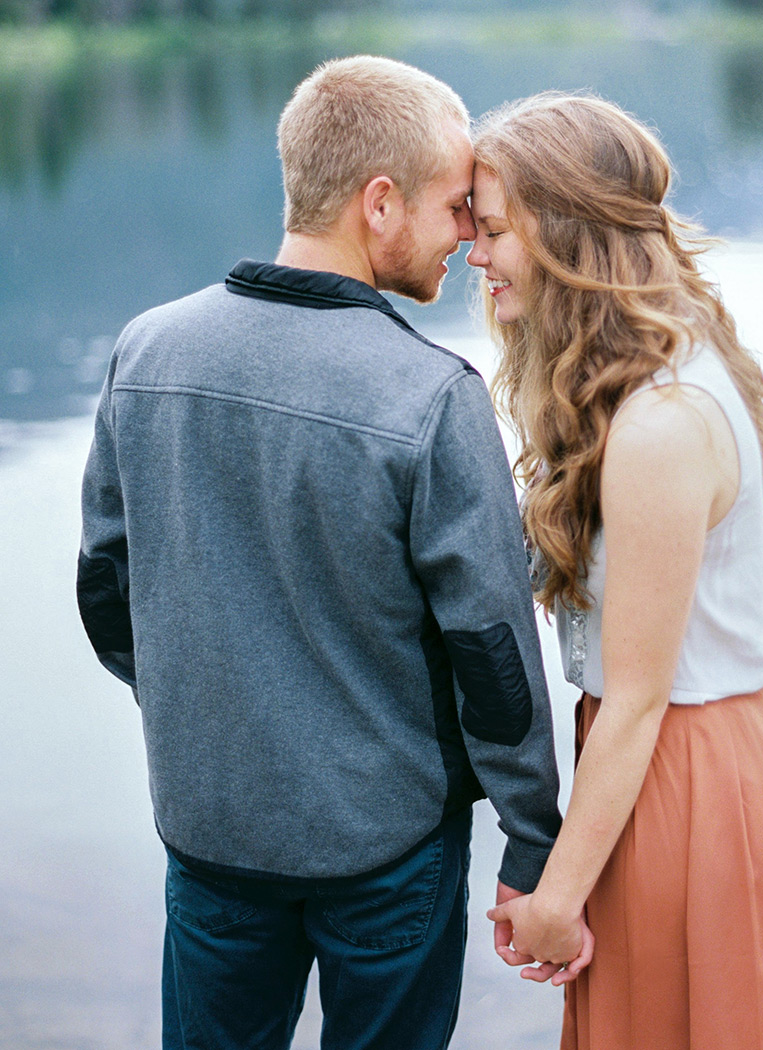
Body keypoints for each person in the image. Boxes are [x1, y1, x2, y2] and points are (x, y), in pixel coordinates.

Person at [76, 56, 563, 1050]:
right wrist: (532, 835)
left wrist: (206, 704)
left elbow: (104, 588)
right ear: (378, 205)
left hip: (209, 833)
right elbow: (492, 657)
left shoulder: (144, 351)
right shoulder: (430, 396)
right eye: (453, 208)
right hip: (386, 850)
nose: (465, 238)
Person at [467, 93, 763, 1050]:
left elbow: (639, 696)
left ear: (564, 230)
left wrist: (557, 899)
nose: (473, 256)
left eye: (493, 230)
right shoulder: (642, 369)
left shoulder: (658, 423)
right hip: (679, 757)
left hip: (699, 776)